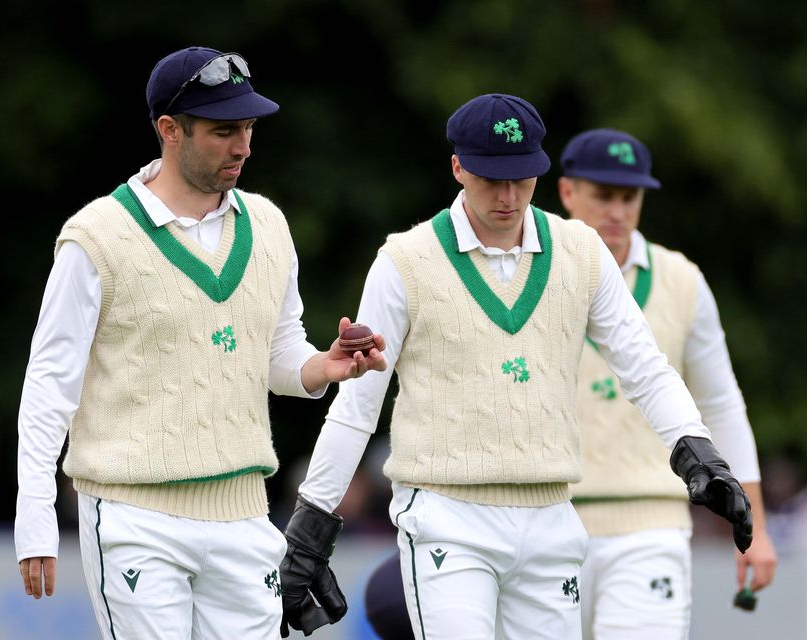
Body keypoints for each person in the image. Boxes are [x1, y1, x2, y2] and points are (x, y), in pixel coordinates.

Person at [277, 93, 753, 639]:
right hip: (445, 516)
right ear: (457, 167)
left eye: (521, 179)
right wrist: (311, 524)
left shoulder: (582, 251)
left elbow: (644, 368)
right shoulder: (404, 261)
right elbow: (358, 405)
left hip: (551, 515)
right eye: (489, 178)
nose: (507, 197)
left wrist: (698, 452)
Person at [13, 45, 386, 640]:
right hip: (134, 515)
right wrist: (34, 519)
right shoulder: (97, 238)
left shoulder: (268, 224)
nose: (242, 146)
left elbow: (278, 354)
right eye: (222, 131)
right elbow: (48, 386)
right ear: (169, 131)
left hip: (244, 513)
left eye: (248, 128)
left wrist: (324, 366)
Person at [557, 127, 777, 639]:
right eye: (603, 194)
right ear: (567, 192)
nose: (617, 210)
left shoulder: (681, 279)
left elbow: (721, 405)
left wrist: (757, 529)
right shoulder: (527, 272)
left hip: (652, 524)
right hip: (545, 523)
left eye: (629, 196)